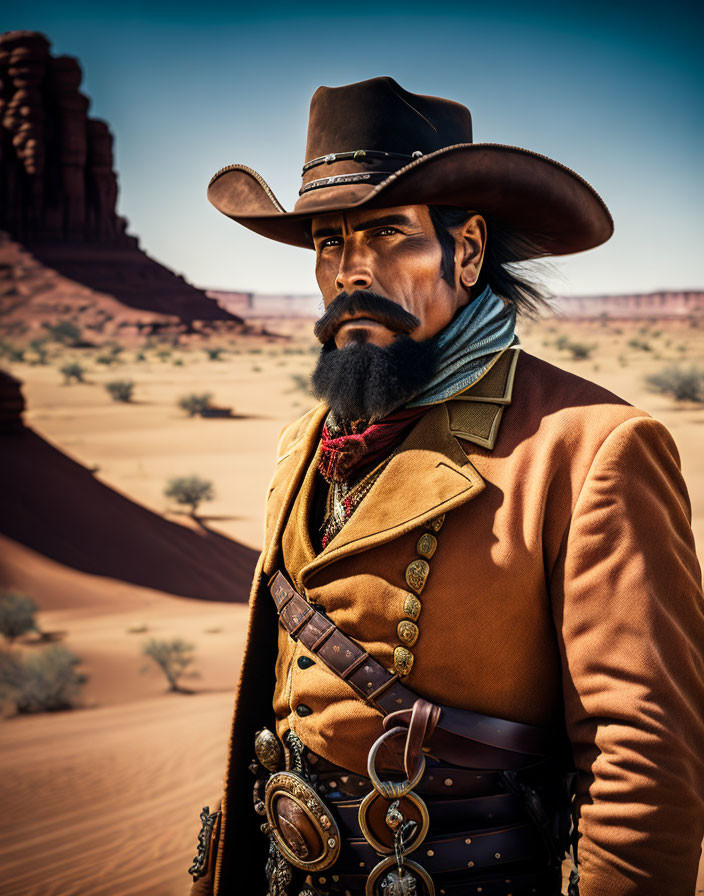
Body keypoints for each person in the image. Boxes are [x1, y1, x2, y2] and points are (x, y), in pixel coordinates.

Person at [189, 77, 704, 896]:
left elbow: (640, 759)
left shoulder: (591, 448)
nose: (349, 271)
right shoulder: (305, 443)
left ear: (465, 251)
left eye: (387, 233)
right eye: (329, 241)